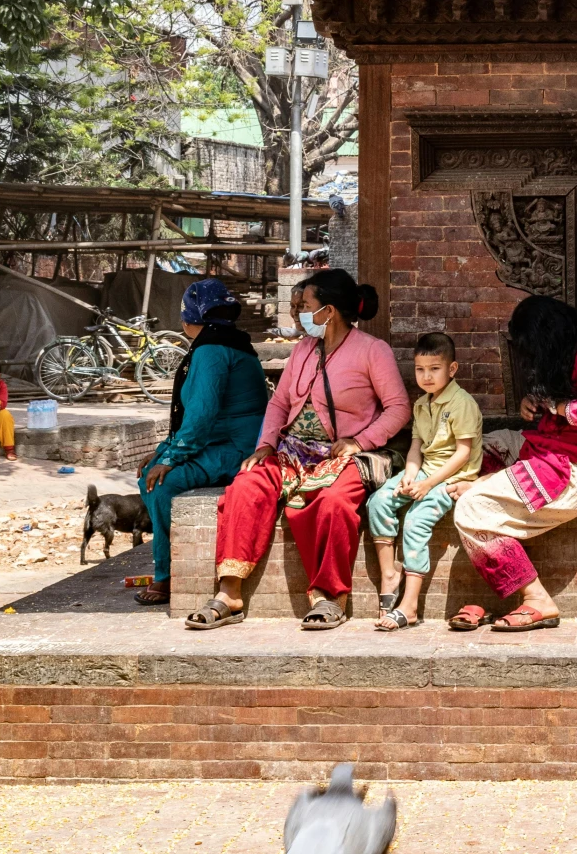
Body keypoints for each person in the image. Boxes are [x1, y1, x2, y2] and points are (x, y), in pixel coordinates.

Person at [186, 267, 409, 634]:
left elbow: (399, 408)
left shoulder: (372, 350)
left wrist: (359, 442)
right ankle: (229, 595)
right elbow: (279, 404)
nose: (299, 313)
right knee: (244, 487)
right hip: (291, 453)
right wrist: (265, 445)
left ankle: (328, 597)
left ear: (329, 311)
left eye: (305, 305)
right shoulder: (304, 349)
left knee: (335, 503)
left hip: (344, 456)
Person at [451, 295, 577, 632]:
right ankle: (492, 492)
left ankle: (537, 599)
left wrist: (558, 408)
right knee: (482, 446)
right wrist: (535, 404)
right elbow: (564, 398)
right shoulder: (573, 351)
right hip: (554, 446)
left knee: (470, 509)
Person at [134, 278, 269, 607]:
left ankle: (166, 576)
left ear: (188, 319)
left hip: (236, 450)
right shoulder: (230, 342)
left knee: (160, 483)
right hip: (230, 443)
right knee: (152, 469)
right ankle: (167, 565)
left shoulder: (210, 349)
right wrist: (165, 450)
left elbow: (202, 415)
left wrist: (171, 458)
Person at [366, 330, 482, 631]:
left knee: (416, 520)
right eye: (420, 369)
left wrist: (428, 485)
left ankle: (410, 605)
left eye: (434, 369)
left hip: (452, 478)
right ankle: (390, 575)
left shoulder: (462, 403)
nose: (426, 376)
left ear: (451, 369)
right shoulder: (421, 405)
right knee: (379, 501)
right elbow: (416, 448)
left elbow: (463, 454)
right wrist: (409, 477)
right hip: (424, 473)